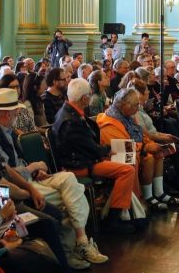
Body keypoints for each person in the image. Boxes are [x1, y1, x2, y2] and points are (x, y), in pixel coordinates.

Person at [0, 88, 108, 266]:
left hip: (30, 178)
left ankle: (79, 245)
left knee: (69, 178)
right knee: (72, 197)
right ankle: (75, 249)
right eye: (15, 111)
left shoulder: (8, 132)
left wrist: (35, 171)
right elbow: (7, 173)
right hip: (20, 186)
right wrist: (34, 167)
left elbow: (16, 163)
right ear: (6, 114)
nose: (18, 114)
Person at [51, 79, 139, 234]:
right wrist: (107, 150)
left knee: (128, 158)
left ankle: (125, 211)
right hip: (79, 166)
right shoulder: (71, 121)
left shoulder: (68, 112)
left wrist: (105, 150)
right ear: (84, 98)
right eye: (89, 95)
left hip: (82, 159)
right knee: (127, 170)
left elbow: (87, 145)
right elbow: (90, 148)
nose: (91, 97)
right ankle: (114, 219)